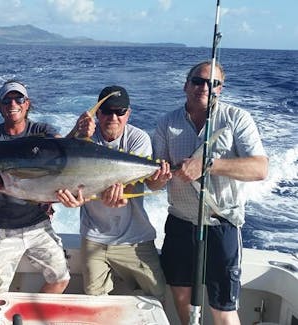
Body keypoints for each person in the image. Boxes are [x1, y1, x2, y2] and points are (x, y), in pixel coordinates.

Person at [150, 61, 269, 325]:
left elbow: (260, 169)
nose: (205, 87)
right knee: (181, 299)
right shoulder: (166, 123)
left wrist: (208, 166)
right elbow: (153, 185)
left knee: (222, 308)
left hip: (221, 226)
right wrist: (159, 177)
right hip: (180, 224)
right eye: (198, 81)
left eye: (213, 83)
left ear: (221, 89)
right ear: (186, 85)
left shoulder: (237, 119)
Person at [57, 85, 168, 302]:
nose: (113, 117)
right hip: (94, 237)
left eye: (120, 112)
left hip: (135, 237)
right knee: (94, 298)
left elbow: (131, 188)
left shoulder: (139, 138)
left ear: (129, 113)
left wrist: (123, 195)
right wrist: (75, 134)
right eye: (107, 111)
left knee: (156, 294)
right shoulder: (84, 137)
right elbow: (58, 161)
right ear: (97, 113)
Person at [0, 80, 70, 307]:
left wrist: (78, 131)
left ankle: (25, 317)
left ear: (27, 104)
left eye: (19, 99)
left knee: (61, 278)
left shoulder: (42, 132)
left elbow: (65, 151)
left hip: (39, 225)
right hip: (1, 229)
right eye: (7, 100)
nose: (13, 104)